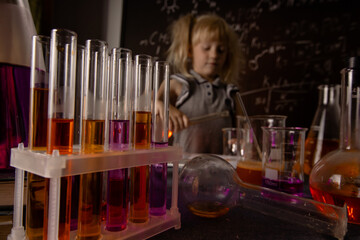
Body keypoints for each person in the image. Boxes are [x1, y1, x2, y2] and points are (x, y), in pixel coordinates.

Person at [157, 13, 242, 154]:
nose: (214, 55)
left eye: (221, 50)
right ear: (190, 50)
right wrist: (161, 105)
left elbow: (245, 133)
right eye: (207, 48)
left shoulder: (231, 93)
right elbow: (150, 102)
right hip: (184, 171)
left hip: (221, 171)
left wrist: (243, 142)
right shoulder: (179, 84)